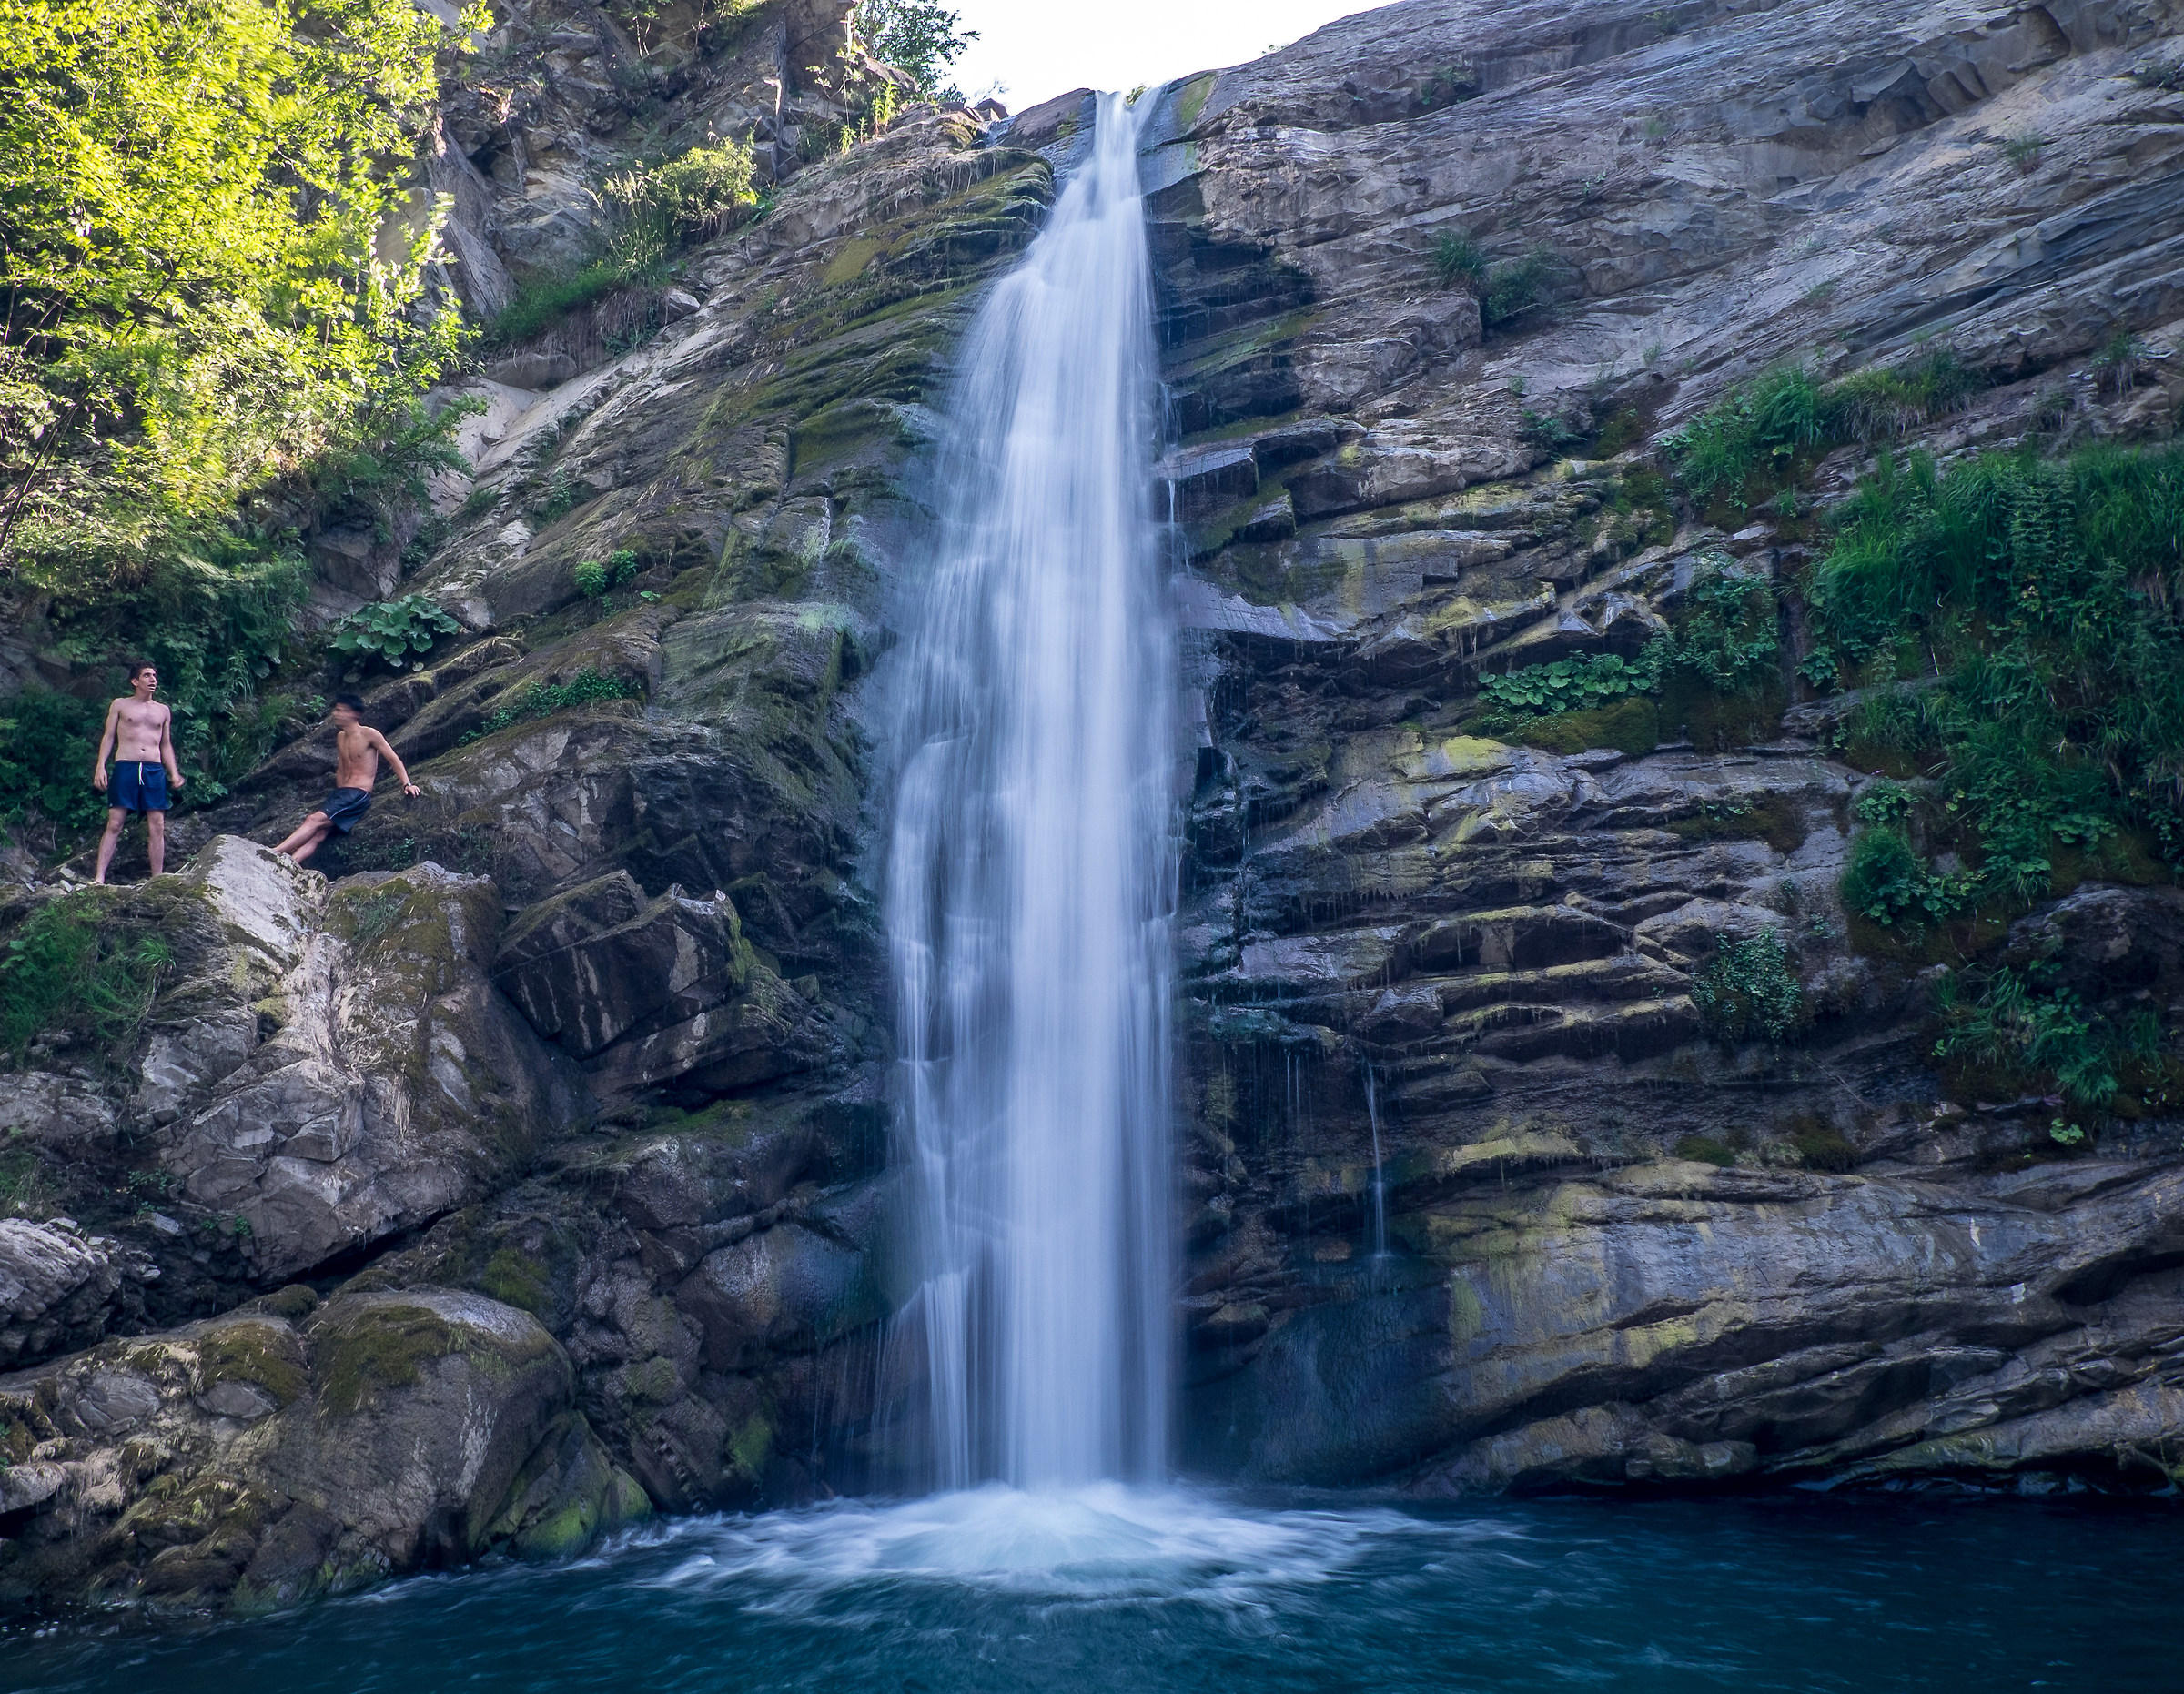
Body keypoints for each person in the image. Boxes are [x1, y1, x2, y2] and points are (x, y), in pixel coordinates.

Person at [271, 694, 420, 866]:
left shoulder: (370, 734)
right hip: (342, 794)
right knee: (319, 834)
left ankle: (274, 852)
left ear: (353, 714)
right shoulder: (341, 737)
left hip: (358, 794)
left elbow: (393, 759)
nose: (335, 714)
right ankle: (290, 864)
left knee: (313, 820)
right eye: (336, 710)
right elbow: (341, 768)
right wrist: (339, 792)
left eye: (341, 710)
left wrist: (407, 784)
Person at [91, 660, 185, 884]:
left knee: (157, 823)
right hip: (127, 765)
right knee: (115, 822)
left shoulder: (163, 710)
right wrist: (100, 766)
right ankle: (99, 877)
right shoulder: (120, 705)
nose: (153, 679)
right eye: (147, 675)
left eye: (154, 676)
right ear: (135, 681)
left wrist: (173, 772)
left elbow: (165, 744)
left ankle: (157, 879)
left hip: (153, 767)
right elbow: (109, 736)